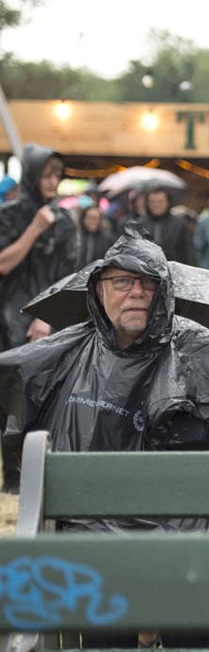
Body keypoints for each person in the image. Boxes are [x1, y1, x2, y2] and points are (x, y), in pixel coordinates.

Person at [0, 225, 209, 647]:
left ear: (163, 292)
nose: (135, 292)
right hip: (92, 545)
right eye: (122, 282)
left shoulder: (203, 351)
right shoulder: (68, 351)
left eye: (148, 283)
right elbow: (17, 393)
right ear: (98, 290)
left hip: (185, 544)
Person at [0, 144, 78, 493]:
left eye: (56, 175)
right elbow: (3, 264)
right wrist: (33, 229)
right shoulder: (10, 215)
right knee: (9, 396)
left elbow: (67, 275)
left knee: (42, 395)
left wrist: (46, 315)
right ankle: (12, 474)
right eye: (45, 174)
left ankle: (37, 471)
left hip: (46, 320)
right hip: (6, 317)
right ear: (32, 175)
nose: (52, 181)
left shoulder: (63, 221)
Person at [141, 185, 196, 265]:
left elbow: (188, 252)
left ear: (168, 202)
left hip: (174, 272)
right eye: (152, 202)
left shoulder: (180, 223)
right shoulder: (140, 224)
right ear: (147, 204)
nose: (156, 205)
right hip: (146, 272)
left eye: (160, 201)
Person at [76, 197, 115, 268]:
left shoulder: (107, 238)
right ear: (83, 219)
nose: (93, 222)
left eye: (96, 218)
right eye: (90, 218)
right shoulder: (76, 237)